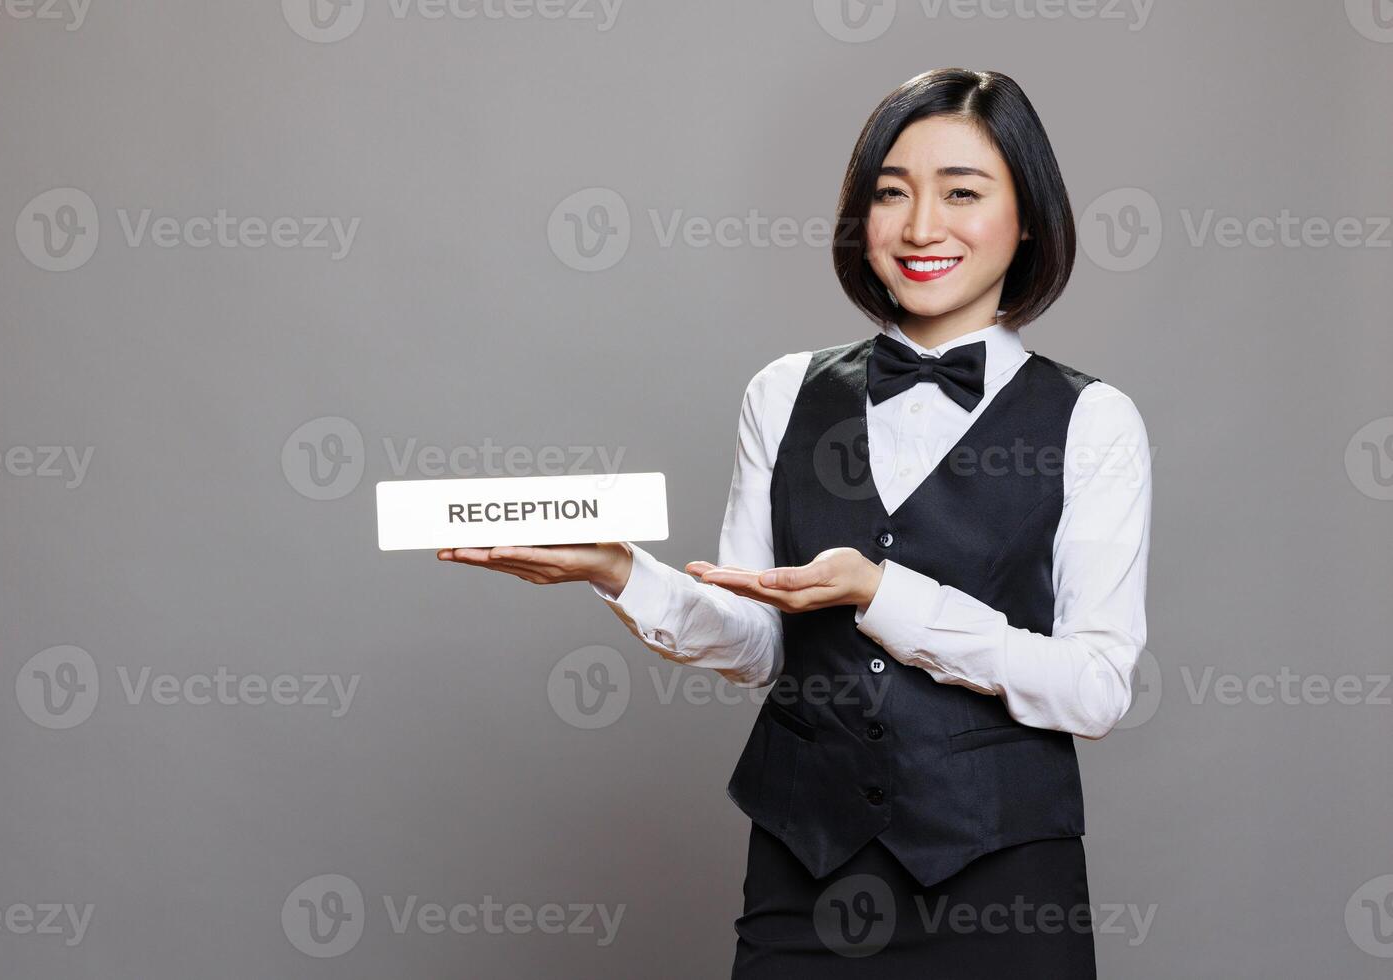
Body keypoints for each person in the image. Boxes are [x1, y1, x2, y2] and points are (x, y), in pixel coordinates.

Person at [438, 67, 1151, 977]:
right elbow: (760, 642)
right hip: (803, 874)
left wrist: (886, 593)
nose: (922, 226)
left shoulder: (1094, 421)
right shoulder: (783, 393)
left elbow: (1095, 687)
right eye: (892, 194)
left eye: (962, 193)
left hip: (1003, 886)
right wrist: (616, 569)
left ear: (1029, 220)